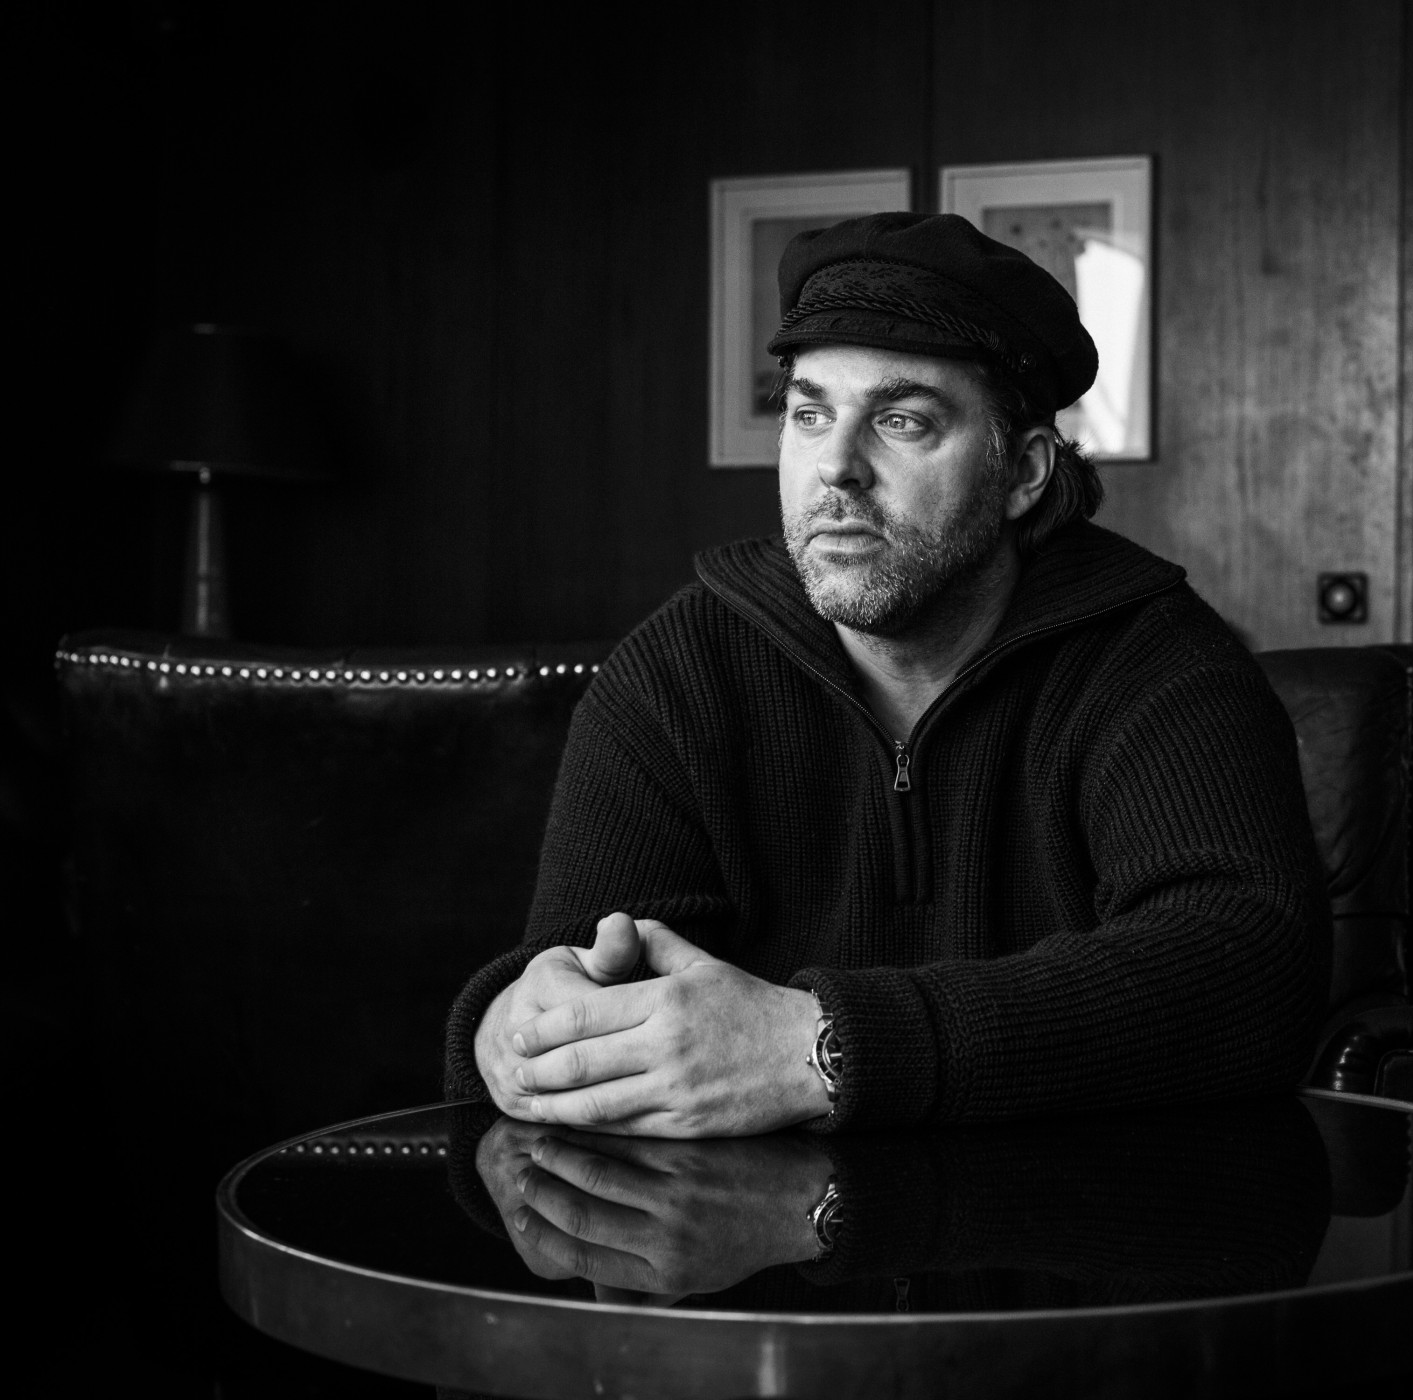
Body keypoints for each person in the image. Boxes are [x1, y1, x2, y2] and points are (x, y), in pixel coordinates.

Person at [443, 211, 1328, 1137]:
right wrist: (515, 1024)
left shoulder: (1158, 660)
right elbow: (592, 972)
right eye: (810, 414)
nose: (836, 467)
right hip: (750, 1228)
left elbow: (1249, 975)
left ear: (1023, 471)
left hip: (1088, 1220)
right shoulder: (682, 671)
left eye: (902, 421)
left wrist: (823, 1047)